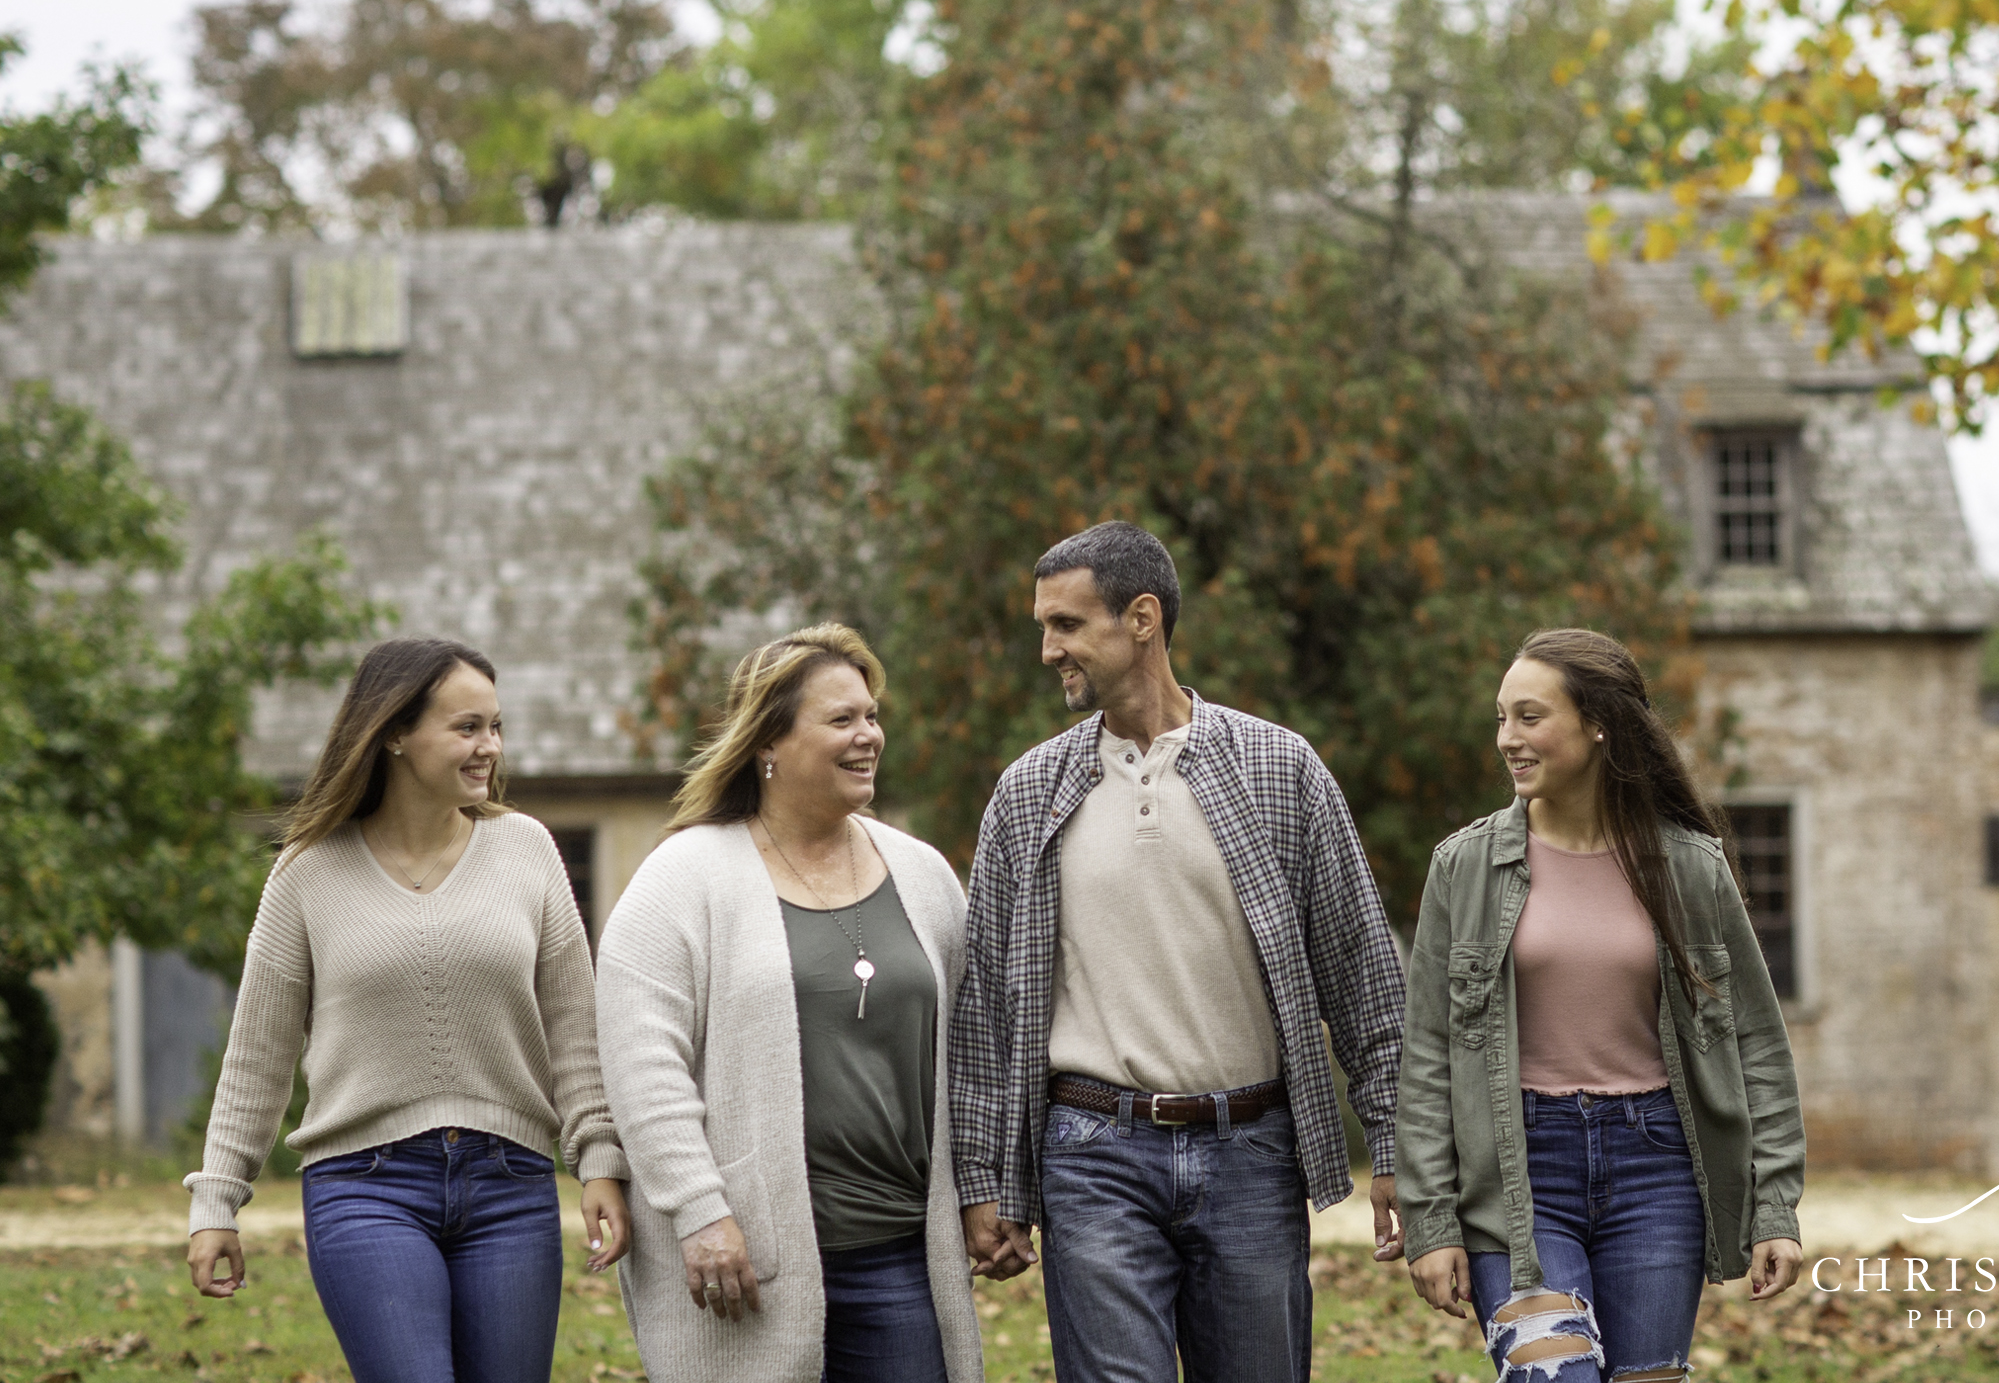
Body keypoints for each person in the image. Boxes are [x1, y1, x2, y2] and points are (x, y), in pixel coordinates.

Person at [951, 521, 1408, 1383]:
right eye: (1044, 628)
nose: (1048, 650)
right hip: (1092, 1154)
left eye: (1066, 625)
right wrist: (984, 1180)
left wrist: (1393, 1143)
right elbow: (985, 1016)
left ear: (1142, 619)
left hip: (1253, 1154)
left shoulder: (1280, 769)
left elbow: (1366, 982)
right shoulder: (1028, 792)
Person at [184, 638, 630, 1383]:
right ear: (394, 732)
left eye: (496, 726)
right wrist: (216, 1202)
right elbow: (258, 1055)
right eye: (467, 727)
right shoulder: (307, 871)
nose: (490, 747)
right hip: (365, 1187)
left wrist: (601, 1162)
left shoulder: (527, 850)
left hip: (511, 1184)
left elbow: (575, 1032)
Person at [1397, 629, 1806, 1382]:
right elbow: (1426, 1056)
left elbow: (1757, 1043)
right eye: (1501, 719)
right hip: (1517, 1176)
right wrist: (1432, 1220)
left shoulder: (1690, 868)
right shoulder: (1465, 867)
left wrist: (1775, 1207)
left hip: (1657, 1172)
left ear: (1597, 726)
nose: (1507, 739)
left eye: (1530, 717)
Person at [594, 625, 982, 1383]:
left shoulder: (923, 875)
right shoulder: (683, 878)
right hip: (748, 1257)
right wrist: (700, 1210)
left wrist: (986, 1187)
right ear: (768, 740)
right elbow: (643, 1067)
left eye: (872, 716)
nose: (868, 735)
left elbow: (971, 1049)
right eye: (841, 719)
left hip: (903, 1256)